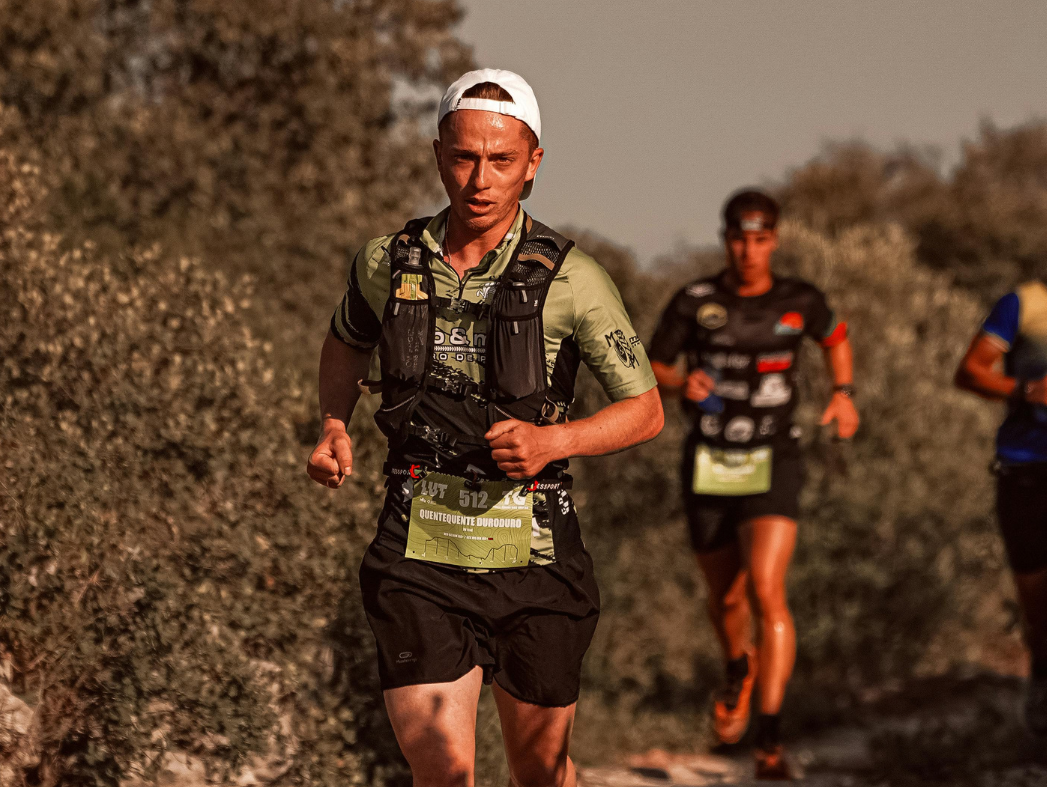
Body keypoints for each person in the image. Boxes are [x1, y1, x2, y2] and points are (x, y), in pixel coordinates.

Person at [307, 68, 663, 787]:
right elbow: (346, 339)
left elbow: (645, 410)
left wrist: (554, 441)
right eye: (464, 157)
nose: (480, 178)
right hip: (419, 549)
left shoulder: (574, 279)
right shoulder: (385, 262)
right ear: (438, 153)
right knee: (442, 770)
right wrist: (332, 424)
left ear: (532, 164)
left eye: (501, 159)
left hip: (535, 558)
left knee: (538, 772)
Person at [647, 190, 859, 779]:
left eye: (761, 239)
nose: (749, 250)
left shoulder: (800, 299)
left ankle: (769, 735)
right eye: (739, 238)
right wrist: (677, 381)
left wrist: (843, 395)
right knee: (728, 600)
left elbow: (836, 336)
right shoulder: (695, 301)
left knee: (768, 589)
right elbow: (652, 363)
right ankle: (737, 666)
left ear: (776, 240)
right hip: (710, 461)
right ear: (726, 240)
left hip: (774, 458)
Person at [955, 281, 1047, 738]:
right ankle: (1042, 680)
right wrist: (1027, 389)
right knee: (1037, 604)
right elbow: (970, 372)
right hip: (1026, 471)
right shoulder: (1025, 304)